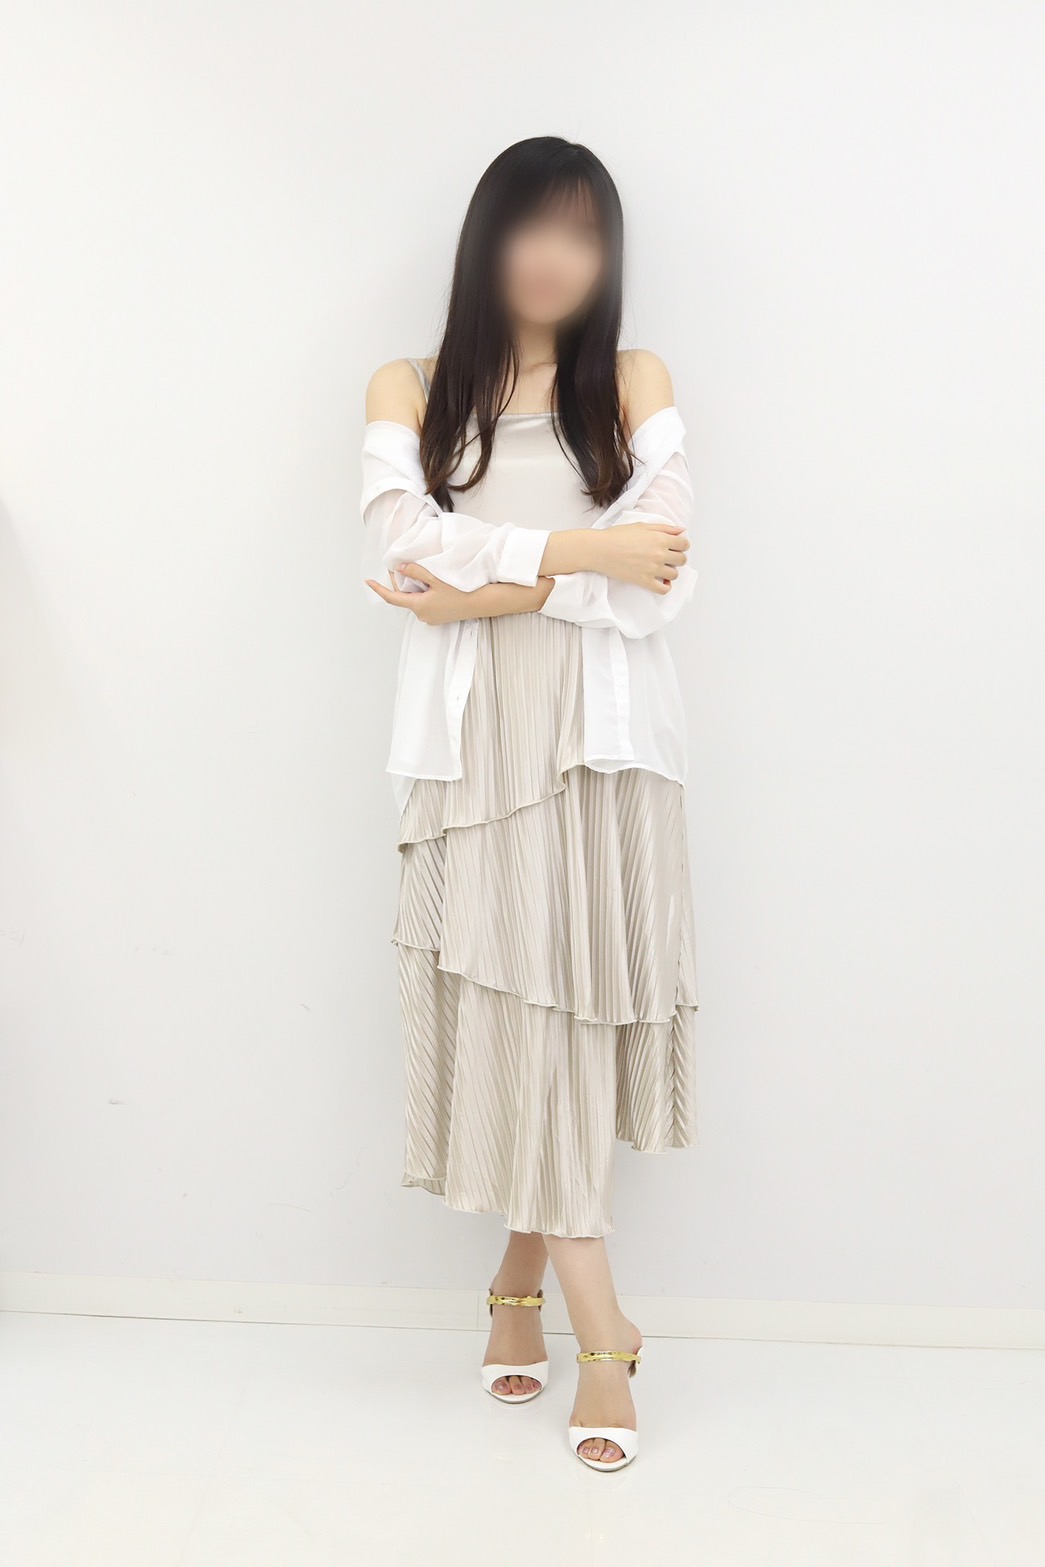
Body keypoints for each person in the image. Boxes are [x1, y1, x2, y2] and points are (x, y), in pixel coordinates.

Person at [361, 135, 698, 1472]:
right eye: (531, 226)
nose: (556, 256)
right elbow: (399, 547)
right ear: (486, 239)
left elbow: (663, 574)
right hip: (474, 751)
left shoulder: (633, 381)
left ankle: (519, 1286)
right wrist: (577, 549)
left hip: (603, 747)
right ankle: (603, 1326)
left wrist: (492, 588)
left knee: (562, 1016)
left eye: (583, 232)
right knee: (518, 1007)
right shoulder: (412, 387)